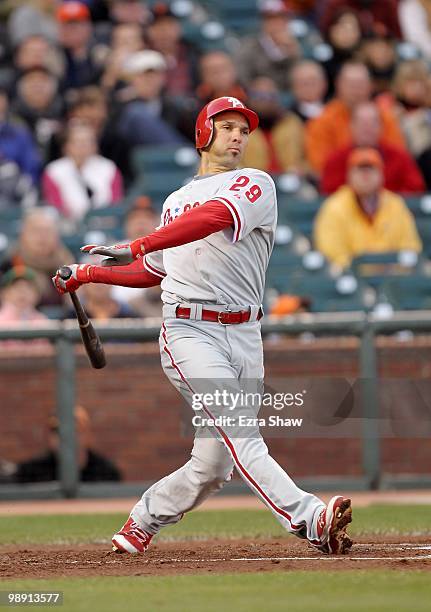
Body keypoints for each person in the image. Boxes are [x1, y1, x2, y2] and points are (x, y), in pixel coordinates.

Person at [53, 95, 353, 556]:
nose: (237, 136)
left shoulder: (256, 183)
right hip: (190, 330)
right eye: (227, 126)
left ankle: (142, 520)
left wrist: (139, 243)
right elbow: (156, 270)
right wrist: (88, 273)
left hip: (246, 334)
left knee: (214, 463)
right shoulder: (175, 202)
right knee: (240, 432)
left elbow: (210, 219)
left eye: (243, 130)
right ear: (203, 134)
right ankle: (309, 518)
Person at [314, 147, 422, 268]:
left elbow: (411, 247)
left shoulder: (396, 205)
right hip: (353, 280)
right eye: (360, 170)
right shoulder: (334, 207)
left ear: (381, 174)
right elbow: (333, 256)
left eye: (371, 169)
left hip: (395, 280)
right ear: (349, 175)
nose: (365, 176)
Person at [305, 61, 405, 174]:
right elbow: (320, 166)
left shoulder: (386, 119)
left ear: (371, 86)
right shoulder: (322, 121)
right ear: (338, 84)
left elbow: (399, 159)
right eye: (351, 85)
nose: (356, 90)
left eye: (360, 84)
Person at [320, 101, 425, 194]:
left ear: (381, 127)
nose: (367, 128)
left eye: (372, 123)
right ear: (351, 126)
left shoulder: (399, 156)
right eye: (362, 123)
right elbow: (329, 193)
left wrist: (384, 202)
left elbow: (415, 188)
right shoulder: (336, 159)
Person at [13, 405, 122, 483]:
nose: (64, 438)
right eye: (57, 432)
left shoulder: (106, 472)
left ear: (87, 435)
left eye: (74, 431)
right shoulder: (30, 472)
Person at [42, 121, 124, 221]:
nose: (83, 146)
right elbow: (56, 206)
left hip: (105, 223)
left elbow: (115, 203)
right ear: (66, 146)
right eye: (78, 142)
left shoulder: (109, 168)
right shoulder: (54, 171)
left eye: (88, 141)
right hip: (68, 226)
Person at [234, 0, 301, 92]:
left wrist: (293, 55)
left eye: (281, 18)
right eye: (270, 19)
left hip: (292, 97)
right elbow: (243, 77)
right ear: (263, 22)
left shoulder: (294, 44)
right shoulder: (249, 46)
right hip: (260, 98)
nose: (276, 23)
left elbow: (300, 77)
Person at [290, 60, 328, 124]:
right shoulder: (289, 118)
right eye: (303, 83)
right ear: (294, 87)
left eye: (313, 81)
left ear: (324, 83)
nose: (308, 87)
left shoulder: (335, 109)